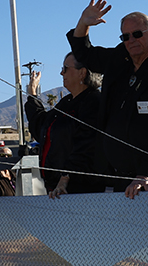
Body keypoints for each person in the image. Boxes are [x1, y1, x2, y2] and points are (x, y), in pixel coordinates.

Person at [68, 0, 148, 194]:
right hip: (122, 180)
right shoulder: (120, 59)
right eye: (125, 37)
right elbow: (85, 55)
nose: (131, 40)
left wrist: (146, 173)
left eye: (137, 34)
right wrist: (83, 24)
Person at [25, 54, 103, 198]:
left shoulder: (94, 102)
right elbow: (41, 127)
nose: (61, 73)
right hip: (56, 188)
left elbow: (86, 145)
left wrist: (66, 176)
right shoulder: (66, 101)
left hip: (82, 189)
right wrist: (32, 95)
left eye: (65, 68)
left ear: (83, 73)